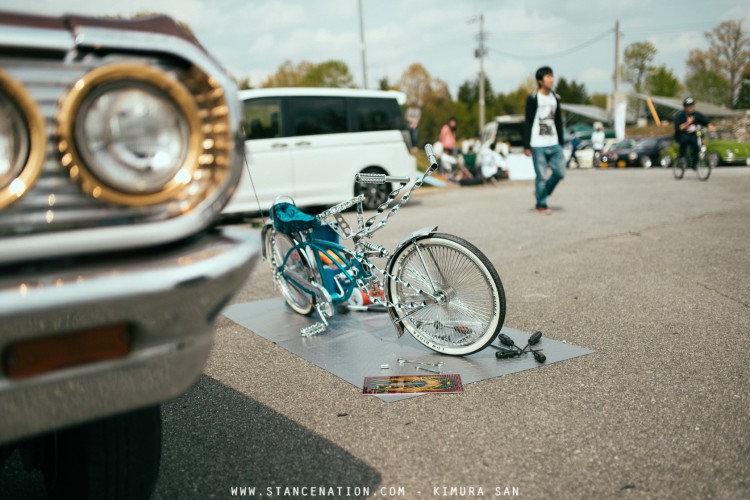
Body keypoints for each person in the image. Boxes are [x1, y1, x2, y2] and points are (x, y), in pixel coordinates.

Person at [523, 66, 564, 215]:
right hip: (537, 143)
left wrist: (561, 141)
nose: (551, 79)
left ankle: (541, 193)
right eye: (547, 77)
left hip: (553, 142)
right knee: (541, 176)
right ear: (540, 81)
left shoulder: (556, 98)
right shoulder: (533, 98)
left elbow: (558, 120)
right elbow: (527, 121)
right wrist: (526, 145)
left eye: (552, 76)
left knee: (560, 173)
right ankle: (541, 204)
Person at [673, 97, 715, 167]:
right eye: (689, 106)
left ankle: (695, 162)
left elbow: (704, 120)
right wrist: (688, 123)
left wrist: (710, 126)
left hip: (693, 135)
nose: (691, 108)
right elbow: (679, 128)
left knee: (696, 145)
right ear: (685, 107)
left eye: (692, 106)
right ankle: (681, 156)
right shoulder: (680, 115)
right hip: (682, 135)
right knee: (684, 140)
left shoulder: (696, 115)